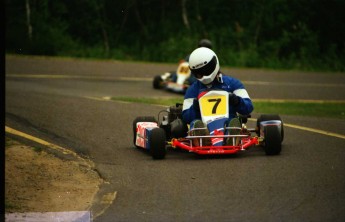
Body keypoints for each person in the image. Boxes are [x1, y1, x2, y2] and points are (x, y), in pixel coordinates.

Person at [182, 47, 253, 146]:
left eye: (206, 70)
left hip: (227, 122)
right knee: (196, 123)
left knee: (233, 122)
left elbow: (248, 107)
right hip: (203, 125)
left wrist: (236, 101)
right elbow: (185, 117)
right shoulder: (193, 90)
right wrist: (195, 107)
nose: (203, 76)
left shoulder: (232, 84)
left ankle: (230, 136)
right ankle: (204, 137)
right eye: (199, 73)